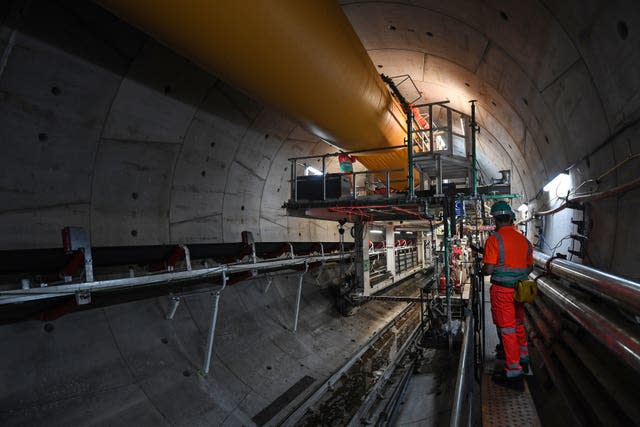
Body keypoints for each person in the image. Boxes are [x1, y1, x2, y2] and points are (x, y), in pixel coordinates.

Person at [483, 201, 533, 391]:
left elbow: (488, 269)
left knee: (507, 330)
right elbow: (530, 267)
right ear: (511, 218)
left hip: (503, 292)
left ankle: (514, 373)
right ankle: (524, 359)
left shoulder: (494, 239)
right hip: (520, 290)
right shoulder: (524, 240)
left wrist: (486, 268)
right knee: (518, 325)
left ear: (494, 219)